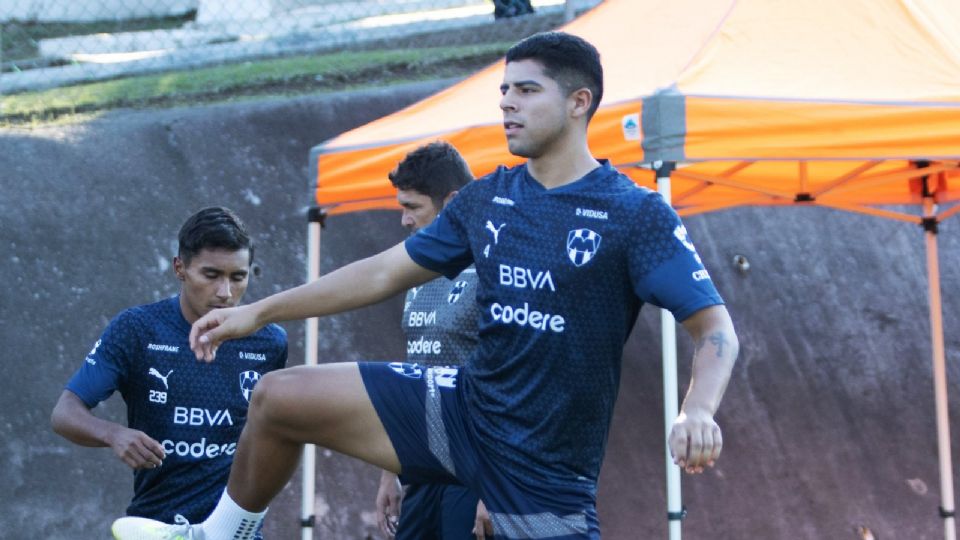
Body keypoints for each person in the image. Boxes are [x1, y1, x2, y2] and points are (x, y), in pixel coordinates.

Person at [112, 31, 738, 540]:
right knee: (277, 397)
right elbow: (383, 271)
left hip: (546, 463)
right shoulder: (486, 197)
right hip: (464, 407)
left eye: (526, 90)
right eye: (503, 92)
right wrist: (258, 313)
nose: (507, 105)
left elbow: (715, 331)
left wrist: (698, 408)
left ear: (579, 103)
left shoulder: (635, 213)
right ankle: (220, 534)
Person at [51, 207, 287, 538]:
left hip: (234, 533)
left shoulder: (269, 341)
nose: (225, 292)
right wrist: (113, 434)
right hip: (153, 527)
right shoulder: (138, 329)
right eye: (211, 275)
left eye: (238, 277)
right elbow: (64, 412)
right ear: (180, 268)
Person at [374, 141, 485, 540]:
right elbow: (413, 370)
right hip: (419, 463)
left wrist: (496, 491)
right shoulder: (418, 268)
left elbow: (516, 381)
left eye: (412, 207)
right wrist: (391, 467)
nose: (404, 220)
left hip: (474, 463)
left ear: (452, 201)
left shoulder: (494, 266)